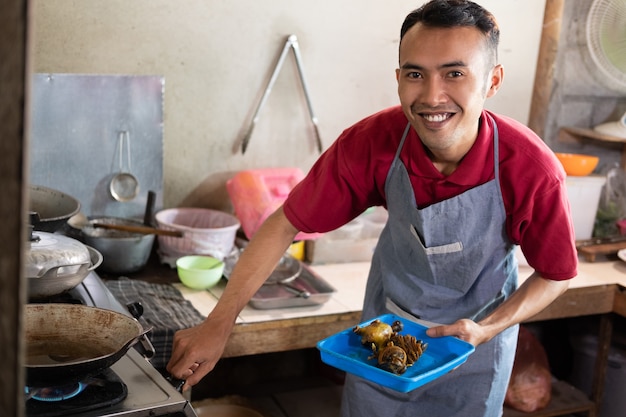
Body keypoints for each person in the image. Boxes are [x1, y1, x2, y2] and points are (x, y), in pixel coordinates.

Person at [167, 0, 577, 415]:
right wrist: (219, 324)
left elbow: (556, 274)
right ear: (399, 79)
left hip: (476, 347)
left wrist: (488, 328)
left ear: (492, 81)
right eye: (416, 74)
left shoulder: (532, 170)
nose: (433, 96)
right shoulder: (371, 143)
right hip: (383, 337)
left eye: (455, 73)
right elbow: (283, 224)